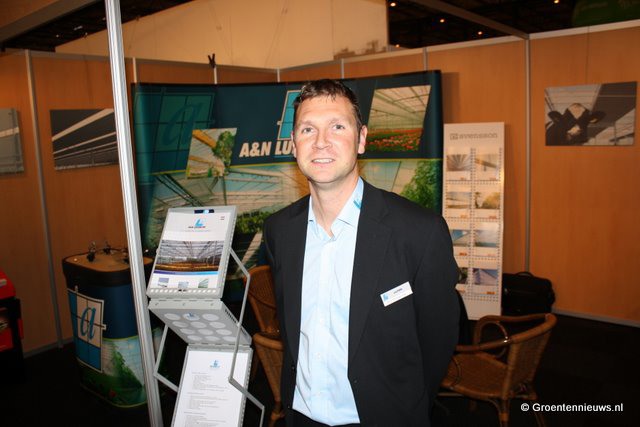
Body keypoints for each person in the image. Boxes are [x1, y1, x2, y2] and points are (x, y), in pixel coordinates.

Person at [262, 79, 459, 426]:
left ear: (362, 138)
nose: (321, 141)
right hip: (301, 417)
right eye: (308, 129)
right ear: (294, 144)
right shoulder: (280, 231)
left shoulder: (419, 232)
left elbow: (437, 342)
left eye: (337, 126)